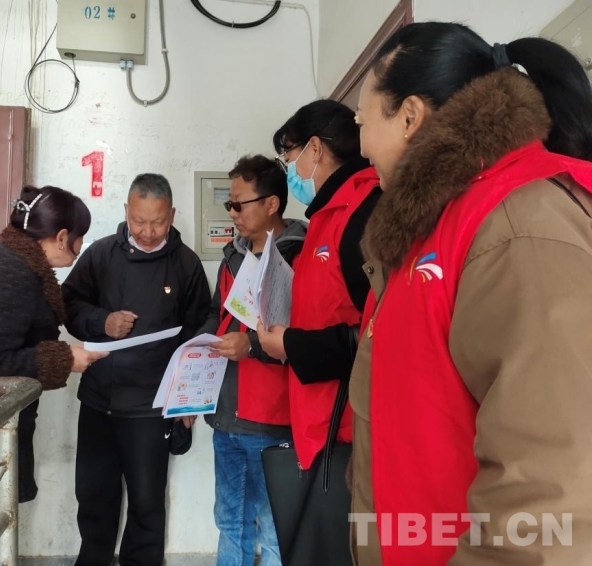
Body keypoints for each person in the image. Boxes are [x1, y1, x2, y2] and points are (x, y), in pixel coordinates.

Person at [350, 22, 592, 565]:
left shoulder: (517, 227)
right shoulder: (426, 232)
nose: (360, 146)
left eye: (363, 122)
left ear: (409, 116)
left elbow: (553, 494)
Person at [0, 185, 106, 566]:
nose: (79, 249)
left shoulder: (13, 263)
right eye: (80, 239)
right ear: (62, 237)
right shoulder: (10, 272)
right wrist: (65, 358)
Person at [62, 173, 211, 566]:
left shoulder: (186, 264)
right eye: (139, 220)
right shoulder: (100, 254)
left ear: (172, 215)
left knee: (147, 505)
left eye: (157, 222)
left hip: (152, 406)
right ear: (126, 210)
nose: (147, 232)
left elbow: (200, 334)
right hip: (99, 401)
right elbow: (69, 305)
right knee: (93, 499)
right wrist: (102, 321)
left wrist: (188, 400)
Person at [256, 100, 381, 564]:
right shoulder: (326, 218)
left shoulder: (365, 213)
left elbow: (378, 334)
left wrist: (290, 344)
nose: (290, 171)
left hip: (350, 431)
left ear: (314, 149)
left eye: (288, 158)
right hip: (321, 422)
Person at [201, 155, 307, 566]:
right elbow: (217, 315)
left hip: (273, 418)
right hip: (226, 415)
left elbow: (303, 335)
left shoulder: (301, 256)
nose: (232, 212)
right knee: (230, 522)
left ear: (271, 204)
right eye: (230, 203)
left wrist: (252, 346)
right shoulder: (233, 254)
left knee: (276, 526)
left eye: (239, 203)